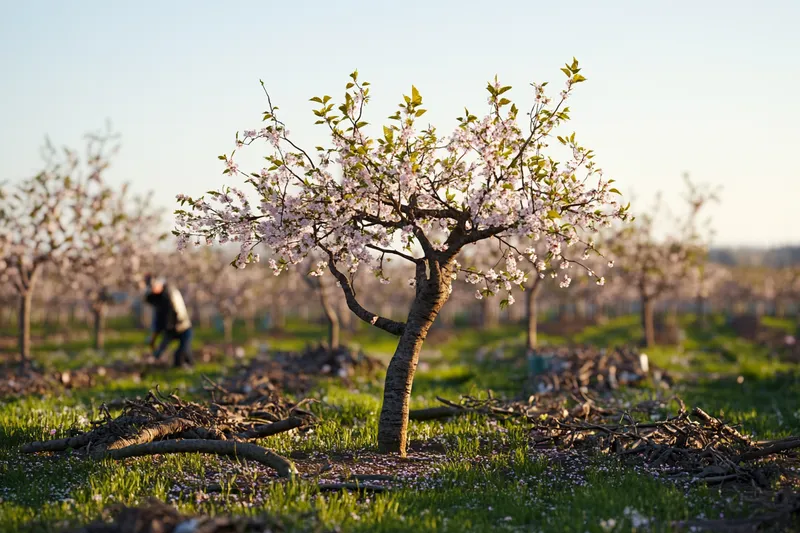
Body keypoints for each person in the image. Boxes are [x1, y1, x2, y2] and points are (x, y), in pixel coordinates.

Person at [142, 274, 194, 368]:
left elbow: (176, 312)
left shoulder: (170, 294)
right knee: (160, 350)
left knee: (183, 351)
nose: (152, 289)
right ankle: (154, 365)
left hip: (182, 327)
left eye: (154, 286)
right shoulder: (157, 298)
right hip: (170, 328)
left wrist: (167, 326)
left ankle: (186, 367)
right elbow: (159, 319)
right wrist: (154, 335)